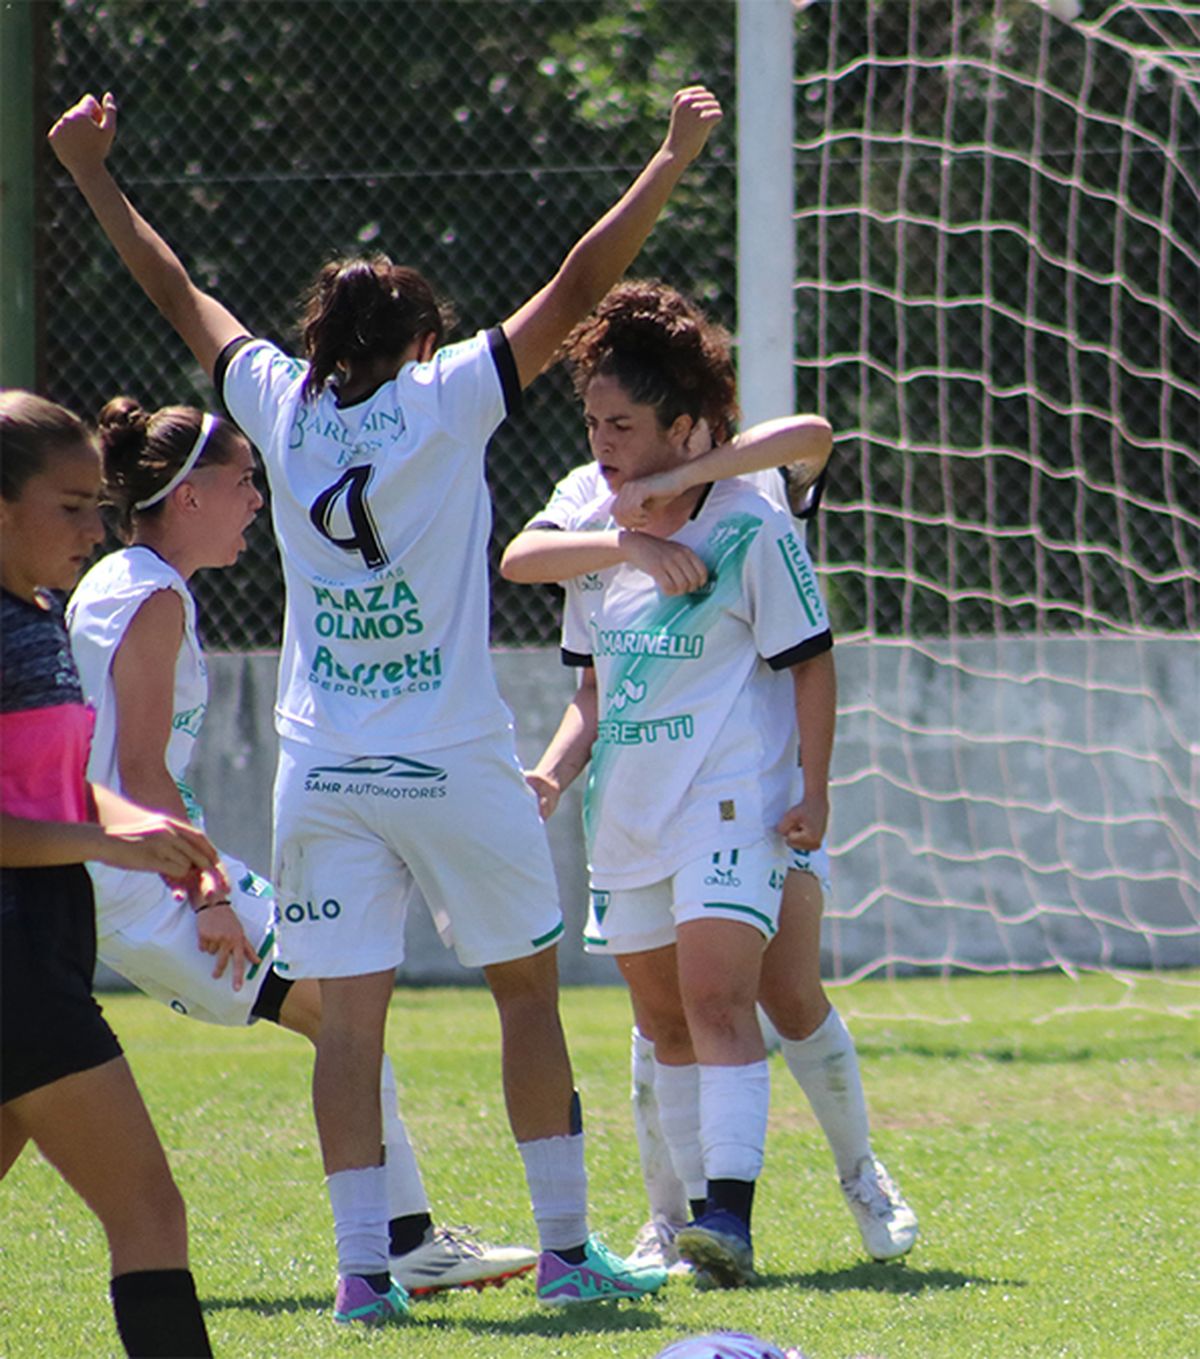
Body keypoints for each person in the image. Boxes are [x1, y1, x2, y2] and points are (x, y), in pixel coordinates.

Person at [50, 81, 722, 1318]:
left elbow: (171, 288)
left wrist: (92, 173)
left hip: (325, 770)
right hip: (454, 759)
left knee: (348, 1026)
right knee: (526, 994)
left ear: (318, 339)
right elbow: (580, 284)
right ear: (421, 342)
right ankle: (568, 1254)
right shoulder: (448, 394)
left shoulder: (276, 401)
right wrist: (671, 156)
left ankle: (364, 1277)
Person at [65, 395, 537, 1299]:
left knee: (342, 1018)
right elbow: (138, 774)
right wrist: (207, 895)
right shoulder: (153, 596)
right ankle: (401, 1246)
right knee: (346, 1016)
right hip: (144, 880)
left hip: (117, 878)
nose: (258, 498)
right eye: (245, 480)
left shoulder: (119, 580)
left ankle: (406, 1241)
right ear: (189, 495)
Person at [502, 280, 917, 1287]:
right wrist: (555, 774)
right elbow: (557, 625)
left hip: (740, 796)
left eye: (623, 424)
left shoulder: (750, 519)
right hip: (630, 811)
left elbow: (812, 655)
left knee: (739, 996)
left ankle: (765, 1207)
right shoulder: (584, 518)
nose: (601, 441)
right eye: (591, 420)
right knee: (668, 1022)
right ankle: (684, 1223)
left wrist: (813, 786)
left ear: (683, 426)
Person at [0, 391, 216, 1358]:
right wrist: (111, 845)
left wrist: (150, 826)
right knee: (151, 1214)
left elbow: (62, 792)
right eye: (72, 504)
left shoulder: (38, 615)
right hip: (13, 970)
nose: (97, 527)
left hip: (42, 950)